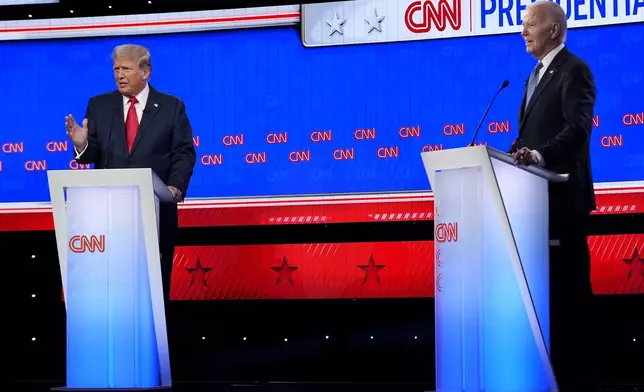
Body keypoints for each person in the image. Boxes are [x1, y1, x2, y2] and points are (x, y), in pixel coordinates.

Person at [65, 44, 196, 306]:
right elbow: (93, 154)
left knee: (154, 290)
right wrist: (81, 145)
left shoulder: (171, 107)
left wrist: (174, 187)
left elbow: (184, 152)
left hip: (156, 212)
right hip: (107, 215)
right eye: (116, 69)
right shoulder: (100, 105)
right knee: (111, 288)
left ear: (145, 72)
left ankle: (155, 344)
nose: (119, 75)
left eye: (126, 68)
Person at [509, 2, 597, 391]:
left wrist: (540, 155)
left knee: (570, 303)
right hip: (533, 207)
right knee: (543, 305)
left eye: (531, 24)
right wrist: (514, 154)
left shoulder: (574, 70)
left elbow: (578, 130)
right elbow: (529, 138)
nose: (523, 31)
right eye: (522, 24)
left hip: (562, 202)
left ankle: (579, 380)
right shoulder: (533, 76)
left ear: (555, 30)